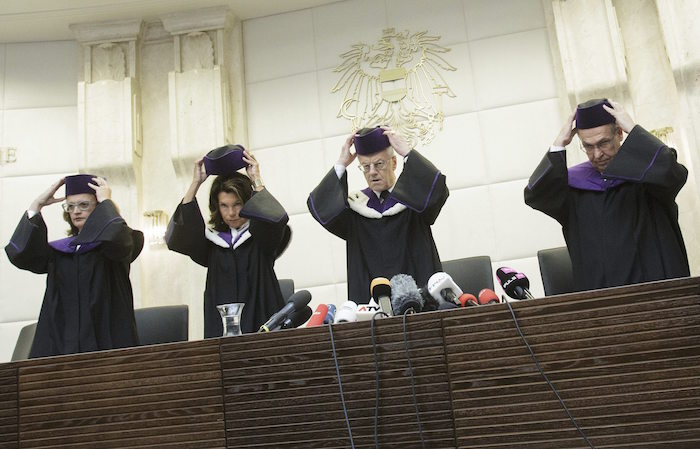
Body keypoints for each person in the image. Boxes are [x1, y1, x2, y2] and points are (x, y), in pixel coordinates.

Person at [524, 99, 690, 291]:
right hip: (603, 303)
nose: (597, 154)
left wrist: (634, 129)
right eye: (588, 146)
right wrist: (558, 144)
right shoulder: (574, 189)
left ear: (619, 134)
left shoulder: (648, 177)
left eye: (603, 143)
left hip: (659, 297)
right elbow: (536, 195)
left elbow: (673, 173)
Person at [5, 174, 144, 358]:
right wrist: (36, 206)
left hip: (108, 343)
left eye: (84, 205)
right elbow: (21, 254)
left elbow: (118, 238)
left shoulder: (115, 245)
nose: (76, 211)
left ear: (99, 208)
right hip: (61, 345)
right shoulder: (60, 252)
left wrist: (106, 201)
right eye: (70, 206)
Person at [307, 126, 448, 303]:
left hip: (420, 299)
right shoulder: (356, 207)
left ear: (394, 163)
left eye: (379, 164)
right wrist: (341, 164)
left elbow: (438, 191)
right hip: (372, 307)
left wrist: (407, 153)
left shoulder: (414, 200)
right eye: (366, 166)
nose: (372, 172)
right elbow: (321, 209)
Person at [165, 144, 291, 337]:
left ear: (248, 202)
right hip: (222, 331)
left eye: (237, 204)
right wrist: (195, 183)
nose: (231, 213)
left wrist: (256, 179)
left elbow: (274, 221)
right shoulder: (212, 243)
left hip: (262, 324)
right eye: (224, 206)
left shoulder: (260, 236)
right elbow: (181, 237)